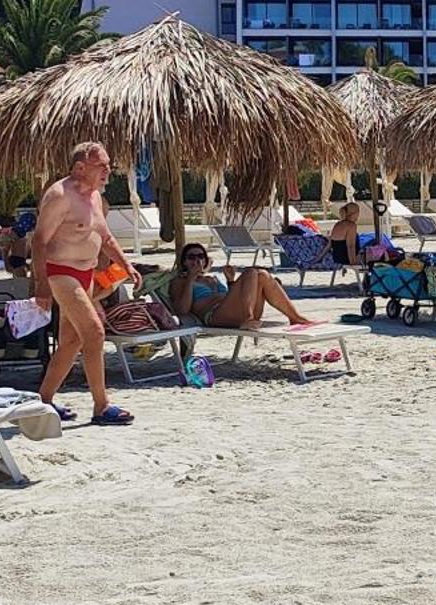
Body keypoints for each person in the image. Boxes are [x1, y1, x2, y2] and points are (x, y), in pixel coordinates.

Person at [31, 141, 137, 427]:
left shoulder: (94, 197)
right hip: (60, 272)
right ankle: (102, 406)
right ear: (80, 167)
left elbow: (105, 237)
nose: (108, 171)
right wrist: (41, 284)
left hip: (85, 274)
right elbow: (39, 240)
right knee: (94, 333)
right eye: (101, 166)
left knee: (71, 340)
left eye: (108, 165)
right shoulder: (59, 195)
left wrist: (126, 265)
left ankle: (43, 400)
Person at [168, 243, 317, 329]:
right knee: (251, 272)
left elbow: (236, 297)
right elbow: (182, 310)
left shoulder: (211, 278)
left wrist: (230, 282)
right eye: (191, 257)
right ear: (184, 262)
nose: (197, 260)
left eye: (201, 256)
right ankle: (248, 318)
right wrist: (190, 279)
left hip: (233, 311)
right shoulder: (179, 281)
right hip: (215, 316)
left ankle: (295, 317)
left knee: (263, 275)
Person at [329, 202, 364, 266]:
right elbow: (350, 246)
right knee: (382, 254)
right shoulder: (351, 226)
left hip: (337, 259)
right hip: (347, 259)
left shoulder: (337, 224)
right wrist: (353, 262)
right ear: (354, 213)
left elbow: (330, 243)